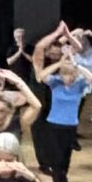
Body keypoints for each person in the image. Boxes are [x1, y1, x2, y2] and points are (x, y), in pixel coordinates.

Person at [37, 55, 92, 182]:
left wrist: (76, 65)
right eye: (65, 74)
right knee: (57, 162)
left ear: (74, 75)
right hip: (54, 125)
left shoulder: (79, 85)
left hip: (70, 127)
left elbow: (91, 77)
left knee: (65, 162)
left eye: (70, 74)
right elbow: (41, 76)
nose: (67, 77)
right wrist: (59, 64)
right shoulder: (56, 83)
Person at [30, 21, 80, 173]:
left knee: (54, 136)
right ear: (48, 51)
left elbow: (78, 48)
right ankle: (44, 164)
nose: (55, 56)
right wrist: (58, 33)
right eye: (52, 53)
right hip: (39, 101)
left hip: (56, 104)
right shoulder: (40, 60)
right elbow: (39, 47)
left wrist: (68, 35)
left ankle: (55, 162)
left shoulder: (62, 61)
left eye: (58, 54)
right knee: (40, 133)